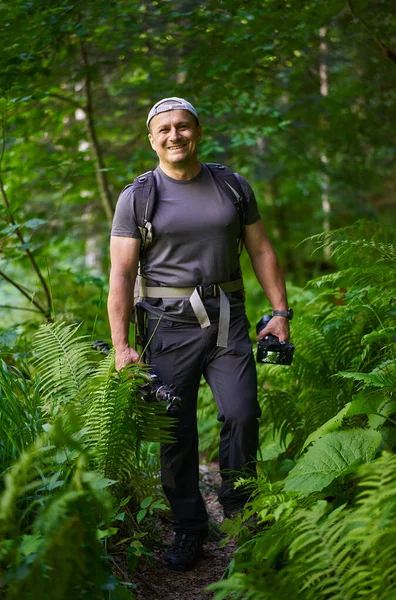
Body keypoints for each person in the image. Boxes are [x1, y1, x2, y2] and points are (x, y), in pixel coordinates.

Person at [107, 97, 291, 572]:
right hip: (167, 326)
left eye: (183, 127)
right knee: (176, 433)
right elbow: (122, 275)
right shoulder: (138, 197)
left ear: (198, 131)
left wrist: (280, 311)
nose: (174, 135)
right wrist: (122, 345)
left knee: (243, 413)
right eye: (164, 129)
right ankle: (190, 528)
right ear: (151, 138)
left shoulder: (230, 185)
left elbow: (262, 250)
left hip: (228, 316)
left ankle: (239, 509)